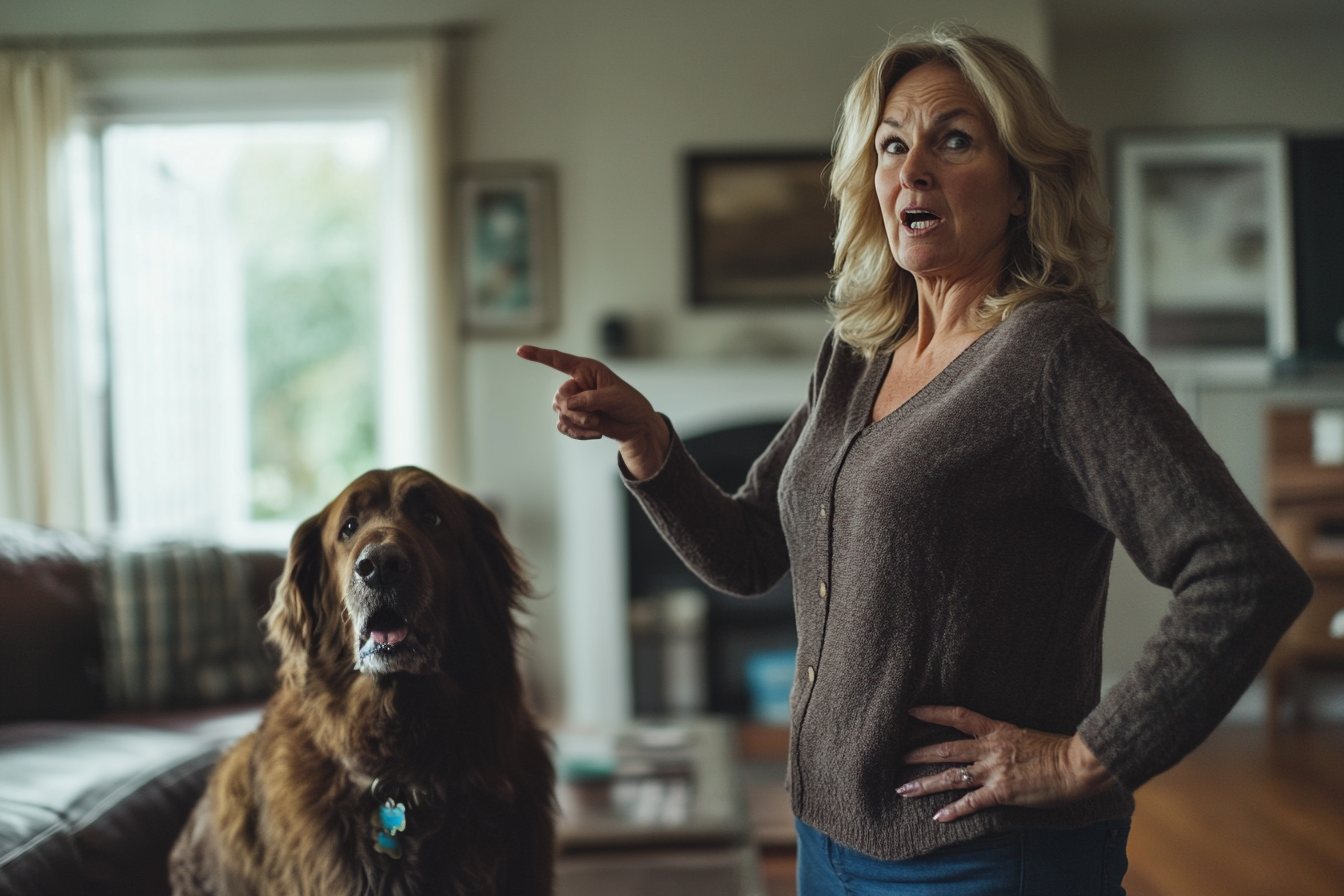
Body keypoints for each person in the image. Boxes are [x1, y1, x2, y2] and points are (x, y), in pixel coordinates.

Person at [518, 24, 1311, 896]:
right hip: (829, 840)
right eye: (892, 145)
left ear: (1019, 185)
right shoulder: (859, 350)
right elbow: (748, 551)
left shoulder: (1058, 358)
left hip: (981, 859)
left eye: (955, 140)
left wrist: (1090, 756)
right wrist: (647, 441)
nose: (913, 169)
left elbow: (1245, 574)